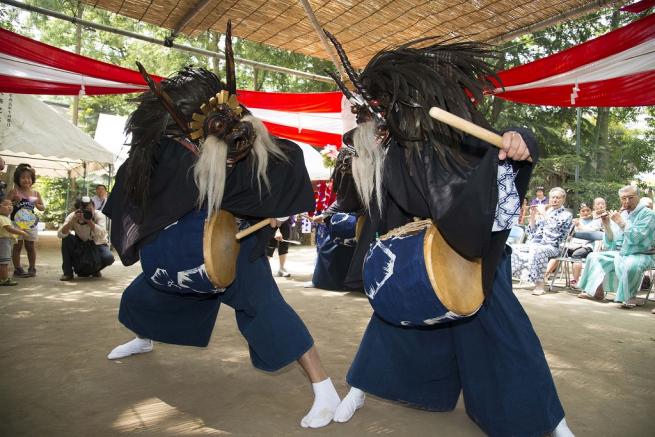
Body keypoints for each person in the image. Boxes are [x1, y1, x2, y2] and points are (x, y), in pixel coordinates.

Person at [323, 35, 573, 436]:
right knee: (392, 316)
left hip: (472, 254)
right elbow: (363, 201)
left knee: (507, 335)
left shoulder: (446, 132)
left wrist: (518, 139)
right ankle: (359, 388)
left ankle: (553, 422)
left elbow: (493, 152)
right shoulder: (381, 152)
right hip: (413, 252)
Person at [103, 38, 340, 429]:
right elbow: (138, 189)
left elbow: (284, 166)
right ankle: (144, 336)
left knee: (266, 307)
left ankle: (325, 390)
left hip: (230, 244)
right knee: (150, 289)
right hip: (181, 248)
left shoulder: (246, 143)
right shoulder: (167, 152)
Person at [577, 186, 655, 308]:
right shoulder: (622, 214)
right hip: (620, 252)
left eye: (631, 198)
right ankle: (597, 291)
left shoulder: (649, 214)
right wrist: (607, 224)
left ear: (638, 197)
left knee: (631, 264)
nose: (627, 201)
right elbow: (611, 242)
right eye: (624, 198)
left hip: (642, 253)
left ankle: (629, 296)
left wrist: (621, 222)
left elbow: (637, 237)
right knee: (594, 256)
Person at [512, 187, 573, 295]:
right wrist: (532, 215)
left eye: (558, 198)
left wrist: (543, 214)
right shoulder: (548, 211)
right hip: (536, 244)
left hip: (553, 246)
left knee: (539, 250)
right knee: (511, 248)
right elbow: (532, 231)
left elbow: (554, 229)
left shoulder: (566, 215)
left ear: (563, 199)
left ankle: (540, 285)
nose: (555, 200)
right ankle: (521, 276)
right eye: (553, 197)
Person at [57, 196, 115, 280]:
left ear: (94, 207)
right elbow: (60, 234)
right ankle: (67, 273)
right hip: (80, 244)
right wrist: (72, 221)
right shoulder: (73, 216)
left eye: (89, 208)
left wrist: (89, 221)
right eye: (83, 209)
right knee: (66, 239)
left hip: (97, 244)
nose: (86, 211)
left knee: (108, 258)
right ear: (76, 210)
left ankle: (95, 269)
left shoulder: (99, 215)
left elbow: (102, 234)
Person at [545, 202, 603, 286]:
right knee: (558, 251)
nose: (585, 213)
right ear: (580, 212)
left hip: (586, 246)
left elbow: (592, 233)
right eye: (583, 211)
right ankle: (545, 275)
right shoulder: (576, 221)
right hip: (573, 244)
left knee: (577, 254)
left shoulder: (595, 222)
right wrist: (571, 227)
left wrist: (580, 226)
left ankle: (575, 280)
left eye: (588, 210)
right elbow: (568, 236)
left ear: (591, 211)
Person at [7, 163, 44, 278]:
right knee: (17, 246)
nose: (26, 180)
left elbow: (42, 208)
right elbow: (4, 208)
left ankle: (32, 267)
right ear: (18, 179)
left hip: (30, 224)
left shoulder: (36, 193)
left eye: (28, 177)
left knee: (30, 246)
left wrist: (38, 205)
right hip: (16, 224)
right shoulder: (14, 192)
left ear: (32, 179)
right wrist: (14, 203)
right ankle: (18, 268)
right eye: (23, 177)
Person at [0, 199, 29, 285]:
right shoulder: (3, 218)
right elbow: (9, 229)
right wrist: (22, 232)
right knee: (4, 262)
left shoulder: (4, 218)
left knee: (2, 261)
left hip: (4, 241)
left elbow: (10, 231)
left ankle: (2, 278)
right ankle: (4, 279)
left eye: (11, 205)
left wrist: (21, 229)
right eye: (6, 205)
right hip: (3, 242)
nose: (10, 207)